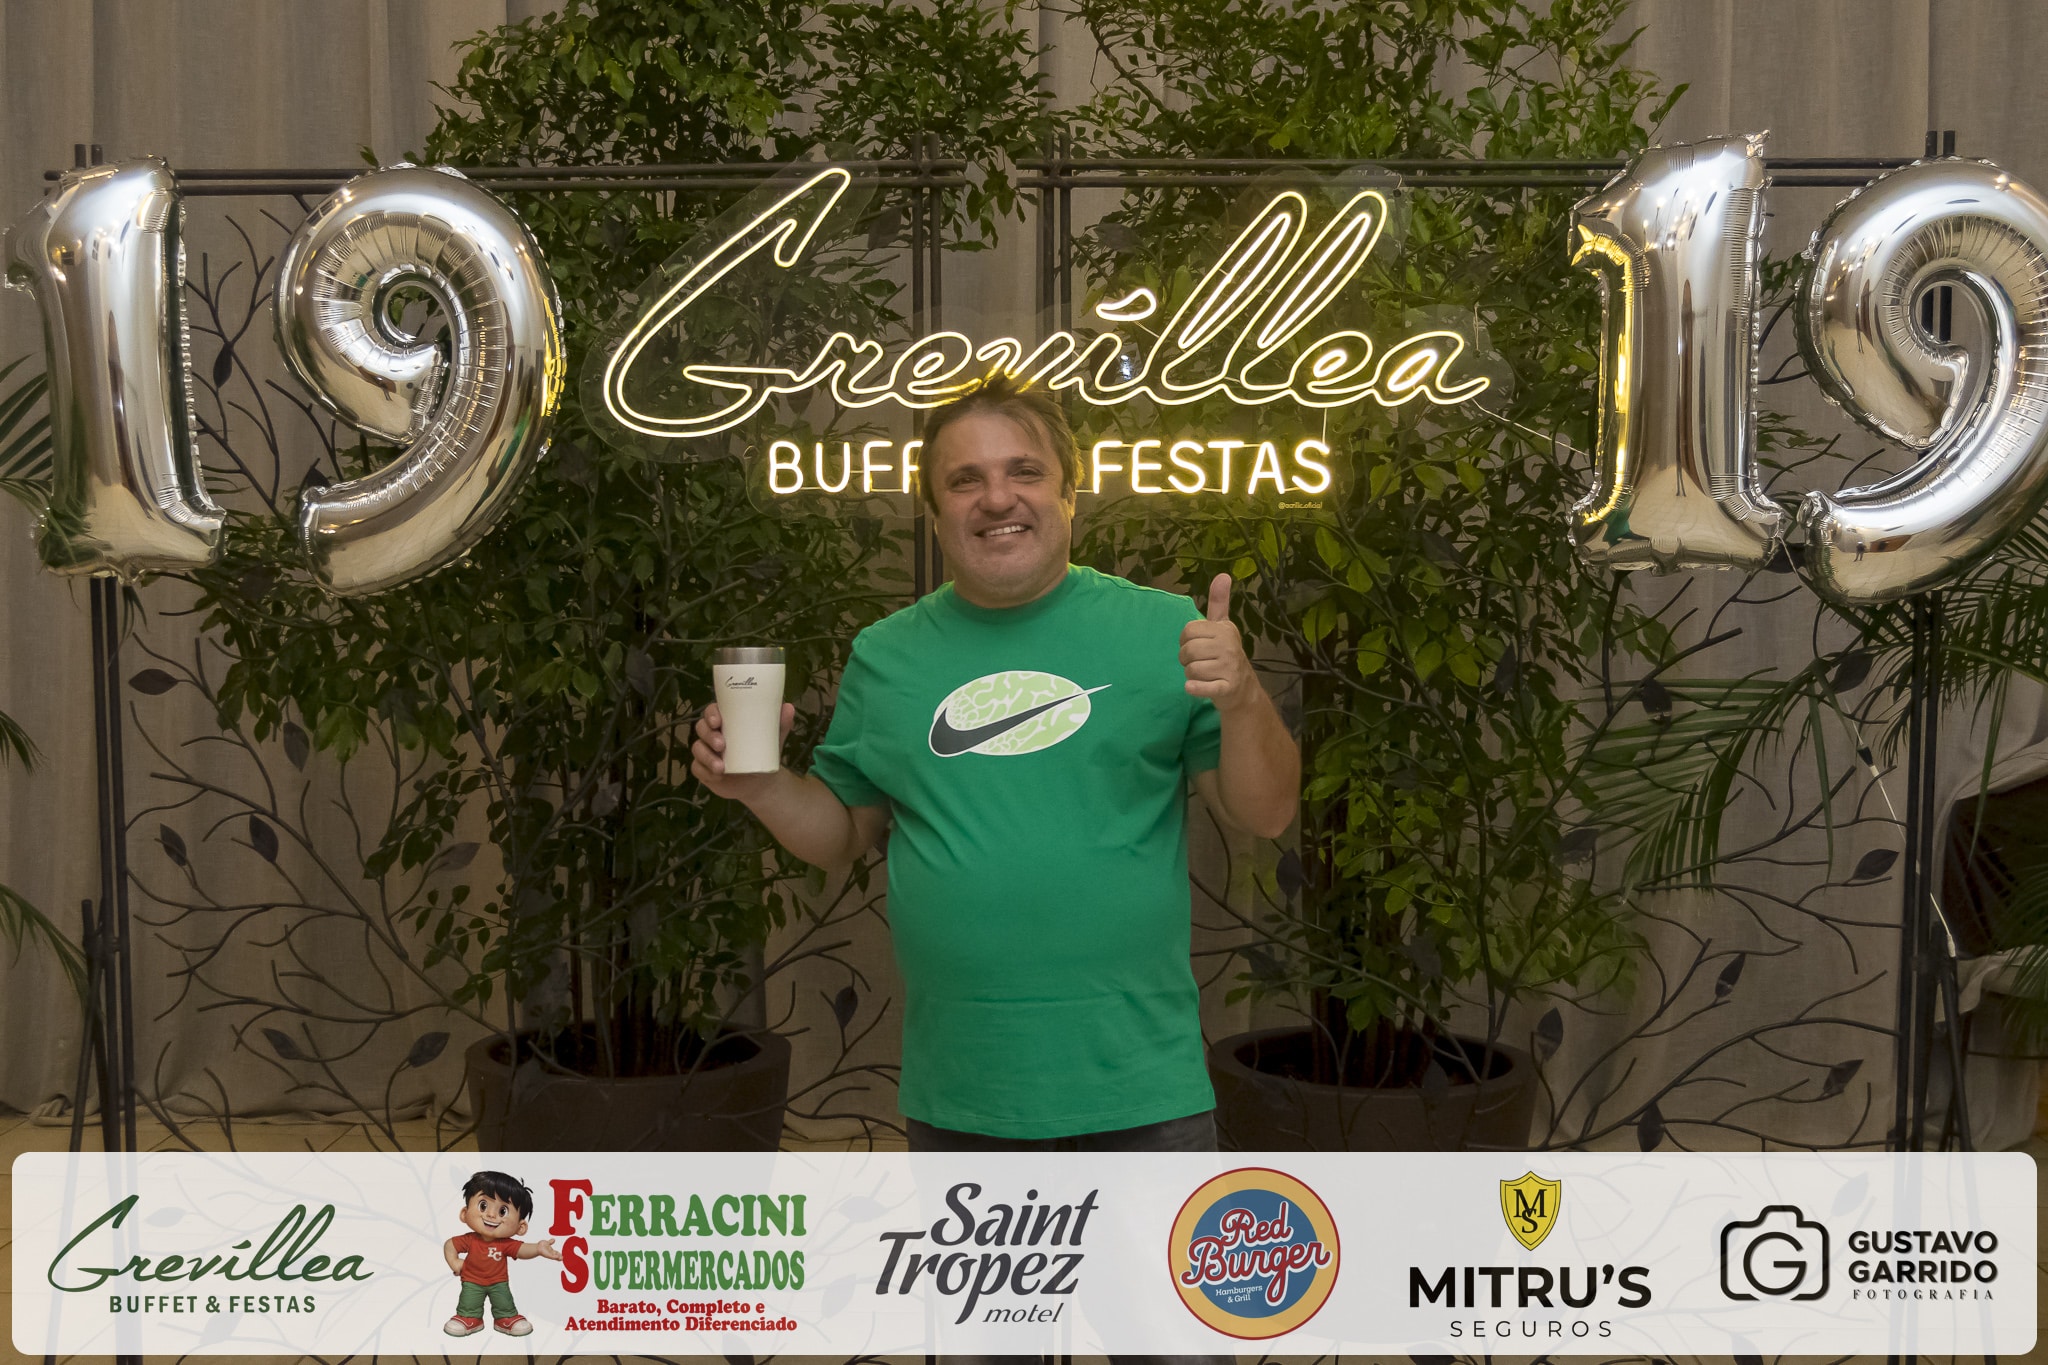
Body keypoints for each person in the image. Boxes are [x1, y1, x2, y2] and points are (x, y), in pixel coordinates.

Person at [693, 374, 1298, 1152]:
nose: (997, 497)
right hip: (963, 1094)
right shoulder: (886, 656)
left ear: (1070, 493)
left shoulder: (1165, 630)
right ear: (935, 512)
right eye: (965, 479)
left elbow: (1266, 812)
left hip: (1142, 1089)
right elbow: (842, 833)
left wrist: (1243, 697)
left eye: (1025, 471)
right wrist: (763, 786)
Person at [443, 1169, 562, 1337]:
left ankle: (505, 1319)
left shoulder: (505, 1244)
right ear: (465, 1213)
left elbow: (522, 1250)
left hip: (498, 1283)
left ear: (520, 1227)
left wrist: (538, 1248)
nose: (491, 1215)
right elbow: (450, 1246)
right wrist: (455, 1263)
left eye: (502, 1211)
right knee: (468, 1304)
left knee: (504, 1303)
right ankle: (469, 1318)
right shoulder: (469, 1240)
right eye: (483, 1206)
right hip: (472, 1281)